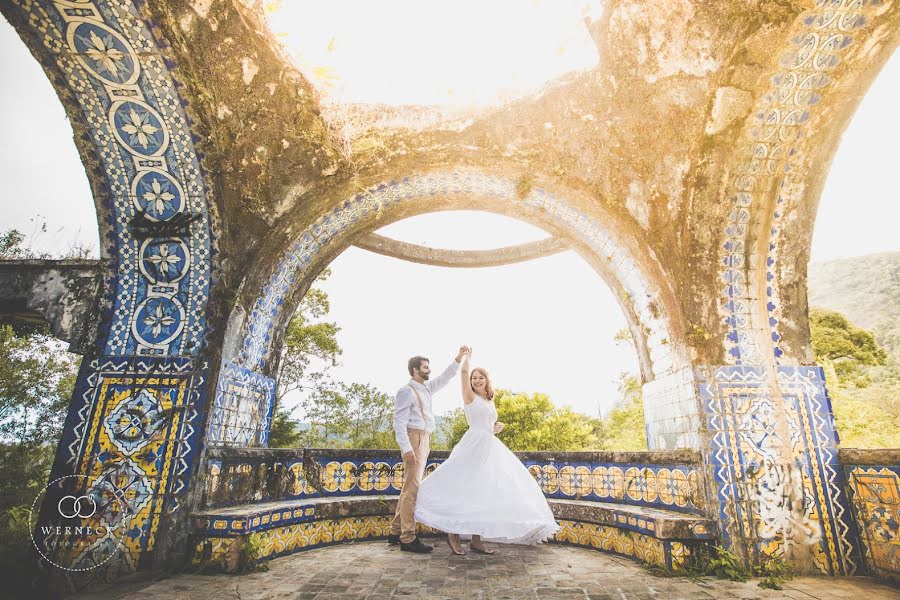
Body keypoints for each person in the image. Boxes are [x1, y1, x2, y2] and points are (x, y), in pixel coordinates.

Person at [414, 348, 560, 555]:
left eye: (480, 377)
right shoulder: (469, 397)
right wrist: (467, 359)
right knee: (463, 489)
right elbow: (463, 375)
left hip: (489, 447)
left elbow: (488, 424)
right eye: (474, 378)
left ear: (486, 380)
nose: (476, 380)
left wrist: (496, 428)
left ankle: (476, 540)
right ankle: (453, 536)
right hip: (472, 446)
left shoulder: (490, 400)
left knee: (483, 492)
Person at [389, 346, 470, 553]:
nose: (429, 370)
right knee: (412, 489)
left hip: (424, 439)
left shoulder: (425, 388)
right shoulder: (406, 391)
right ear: (415, 370)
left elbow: (446, 376)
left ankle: (395, 531)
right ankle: (407, 538)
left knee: (409, 486)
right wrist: (407, 448)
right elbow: (398, 423)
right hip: (413, 439)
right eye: (425, 367)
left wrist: (459, 358)